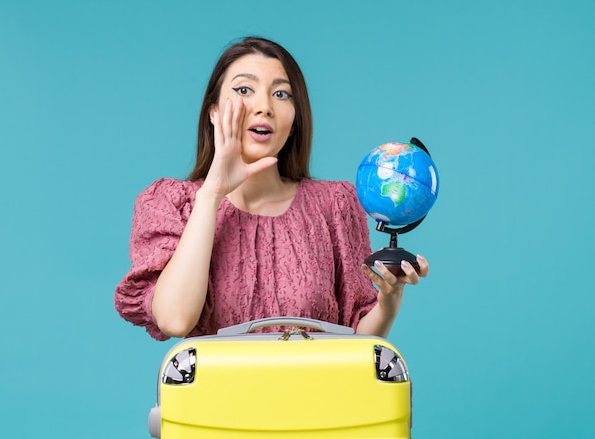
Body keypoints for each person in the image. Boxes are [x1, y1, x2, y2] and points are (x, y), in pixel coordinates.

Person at [114, 36, 429, 341]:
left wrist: (389, 302)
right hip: (217, 395)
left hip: (318, 394)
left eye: (281, 94)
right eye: (244, 89)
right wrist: (211, 194)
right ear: (213, 111)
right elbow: (175, 319)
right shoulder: (171, 203)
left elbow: (354, 344)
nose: (263, 106)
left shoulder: (334, 204)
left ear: (294, 117)